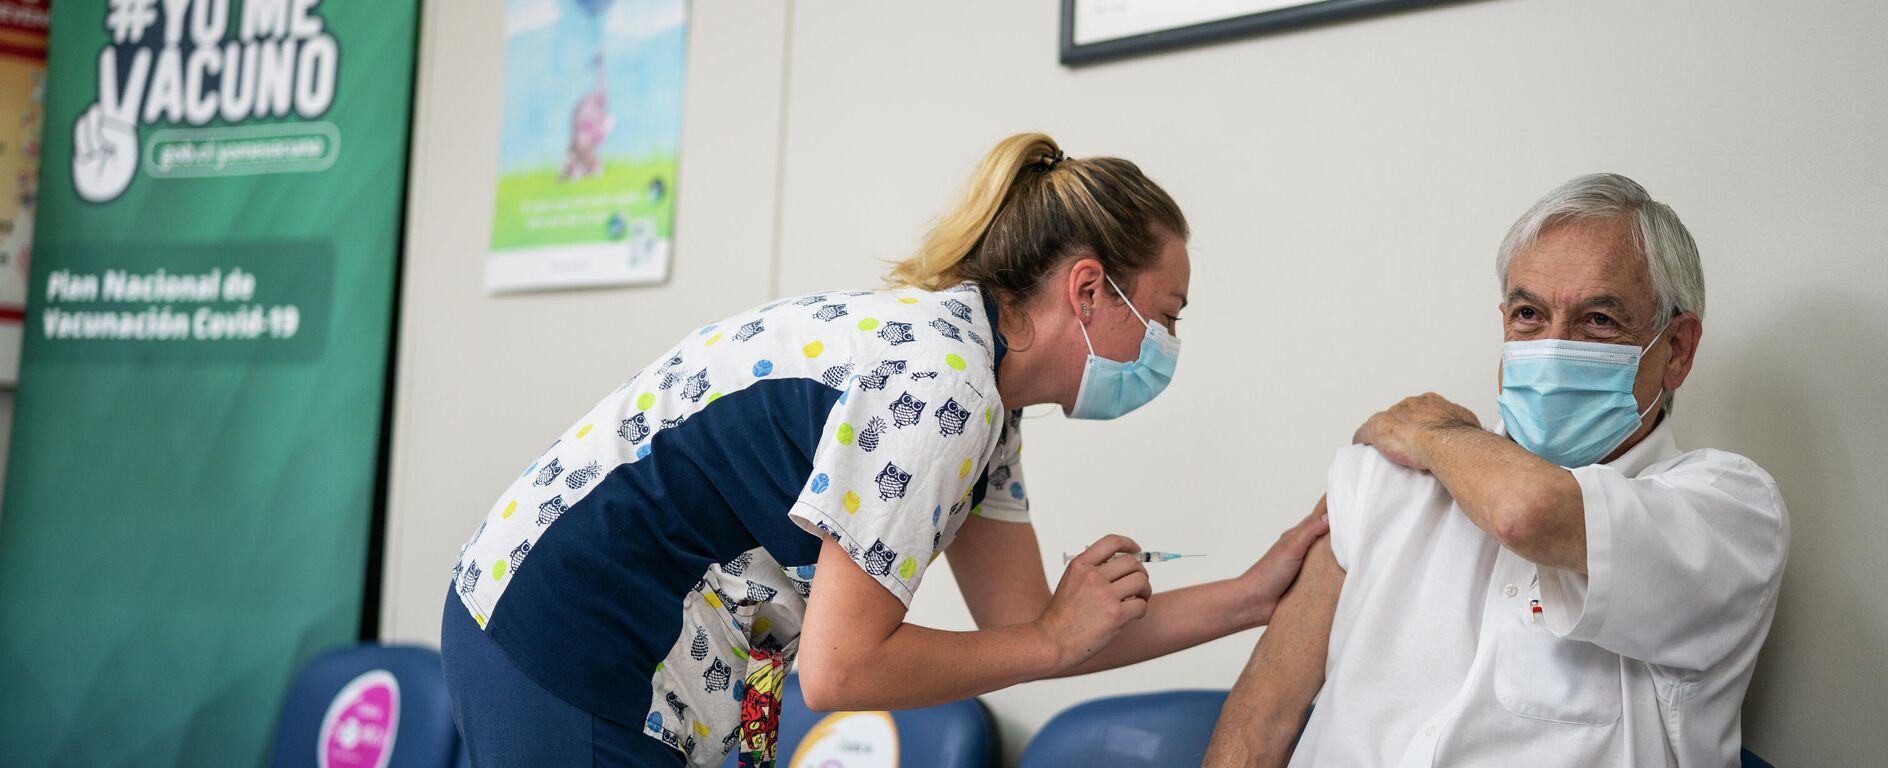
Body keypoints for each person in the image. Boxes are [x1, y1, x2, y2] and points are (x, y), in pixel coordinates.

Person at [441, 132, 1329, 767]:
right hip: (569, 632)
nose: (1168, 344)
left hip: (690, 655)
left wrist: (1253, 595)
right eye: (1166, 315)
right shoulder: (942, 386)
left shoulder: (985, 398)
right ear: (1090, 289)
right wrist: (1053, 642)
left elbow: (1025, 629)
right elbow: (842, 671)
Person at [1203, 174, 1789, 767]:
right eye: (1529, 313)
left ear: (1678, 349)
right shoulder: (1388, 479)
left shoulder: (1727, 511)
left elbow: (1527, 511)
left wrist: (1433, 432)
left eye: (1599, 320)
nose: (1554, 346)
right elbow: (1264, 714)